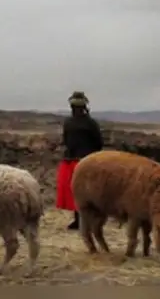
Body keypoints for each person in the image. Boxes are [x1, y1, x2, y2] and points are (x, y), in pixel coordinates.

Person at [56, 90, 104, 230]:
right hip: (88, 160)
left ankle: (79, 220)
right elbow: (99, 142)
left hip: (73, 160)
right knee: (89, 192)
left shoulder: (68, 123)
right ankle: (87, 220)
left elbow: (66, 140)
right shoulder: (91, 123)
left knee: (75, 191)